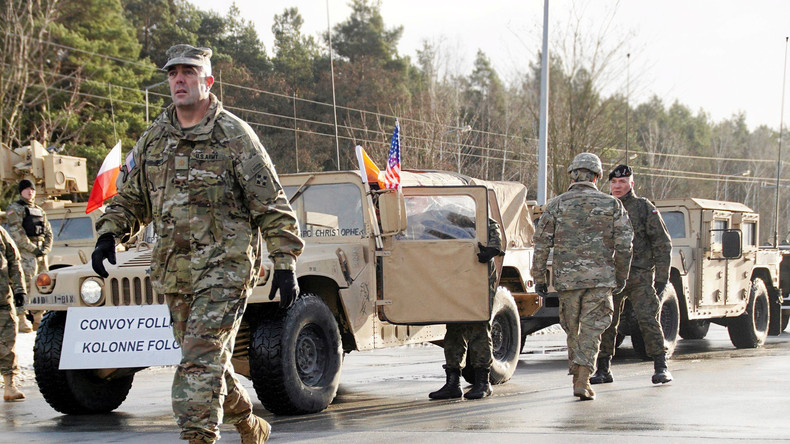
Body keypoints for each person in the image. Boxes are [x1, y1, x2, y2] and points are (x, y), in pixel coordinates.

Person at [91, 44, 304, 444]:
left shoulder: (234, 136)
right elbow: (132, 198)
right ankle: (249, 423)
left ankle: (198, 437)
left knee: (198, 361)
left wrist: (285, 260)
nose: (179, 80)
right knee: (206, 360)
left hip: (226, 270)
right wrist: (109, 233)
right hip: (175, 271)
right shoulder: (154, 138)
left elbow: (270, 203)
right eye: (173, 73)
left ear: (207, 80)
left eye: (188, 72)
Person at [532, 153, 633, 400]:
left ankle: (578, 374)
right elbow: (625, 245)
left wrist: (540, 278)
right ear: (597, 176)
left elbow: (541, 244)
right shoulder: (611, 205)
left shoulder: (556, 205)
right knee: (592, 329)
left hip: (567, 281)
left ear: (573, 174)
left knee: (573, 329)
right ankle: (583, 378)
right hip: (600, 280)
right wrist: (620, 277)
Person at [591, 165, 673, 385]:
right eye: (614, 183)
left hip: (640, 275)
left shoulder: (643, 207)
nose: (618, 187)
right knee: (607, 322)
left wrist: (661, 278)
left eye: (623, 182)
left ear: (631, 184)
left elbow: (662, 244)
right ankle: (603, 368)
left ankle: (661, 366)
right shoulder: (604, 207)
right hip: (612, 275)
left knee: (648, 319)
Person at [429, 216, 504, 400]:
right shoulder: (438, 214)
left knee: (478, 324)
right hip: (454, 273)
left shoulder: (469, 209)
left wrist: (492, 249)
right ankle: (453, 382)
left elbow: (492, 227)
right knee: (454, 327)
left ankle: (483, 382)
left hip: (477, 272)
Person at [5, 179, 52, 332]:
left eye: (32, 189)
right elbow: (17, 233)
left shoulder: (39, 210)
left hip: (40, 253)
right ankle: (22, 317)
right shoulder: (14, 209)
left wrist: (45, 248)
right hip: (25, 253)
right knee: (23, 285)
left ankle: (39, 317)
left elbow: (48, 232)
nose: (30, 192)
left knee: (42, 284)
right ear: (21, 192)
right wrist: (33, 249)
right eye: (26, 189)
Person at [0, 225, 27, 402]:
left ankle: (9, 385)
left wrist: (19, 289)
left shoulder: (0, 232)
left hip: (2, 297)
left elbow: (14, 259)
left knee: (8, 338)